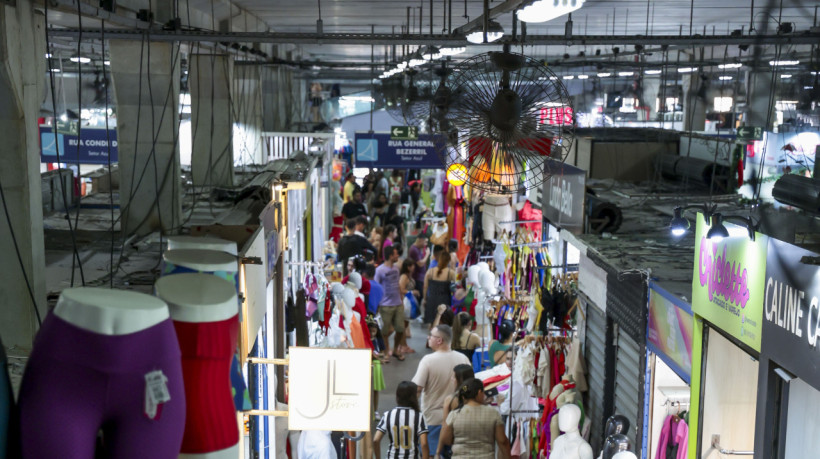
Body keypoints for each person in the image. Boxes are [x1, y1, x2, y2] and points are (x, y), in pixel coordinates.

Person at [411, 325, 470, 457]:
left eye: (431, 335)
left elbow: (417, 388)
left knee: (431, 455)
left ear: (439, 340)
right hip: (457, 420)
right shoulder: (463, 358)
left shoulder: (428, 361)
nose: (428, 337)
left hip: (433, 420)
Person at [440, 378, 511, 459]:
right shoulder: (493, 413)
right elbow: (502, 441)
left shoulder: (454, 414)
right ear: (479, 392)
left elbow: (446, 439)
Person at [374, 381, 430, 459]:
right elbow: (424, 444)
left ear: (397, 396)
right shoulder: (419, 416)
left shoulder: (388, 415)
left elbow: (376, 440)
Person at [435, 364, 476, 459]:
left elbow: (445, 426)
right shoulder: (479, 398)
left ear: (459, 380)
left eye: (453, 377)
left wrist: (438, 451)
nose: (452, 379)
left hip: (456, 446)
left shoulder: (450, 400)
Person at [375, 246, 406, 361]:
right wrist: (377, 305)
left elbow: (397, 284)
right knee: (384, 331)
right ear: (390, 256)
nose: (398, 256)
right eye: (396, 254)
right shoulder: (380, 270)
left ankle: (396, 349)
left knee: (400, 329)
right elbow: (377, 286)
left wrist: (401, 298)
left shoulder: (396, 269)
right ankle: (386, 350)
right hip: (385, 305)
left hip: (397, 303)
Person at [423, 251, 455, 327]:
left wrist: (425, 299)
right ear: (448, 261)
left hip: (431, 300)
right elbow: (455, 287)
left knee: (432, 324)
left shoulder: (430, 271)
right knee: (443, 324)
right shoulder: (450, 273)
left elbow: (425, 287)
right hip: (444, 300)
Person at [399, 259, 420, 354]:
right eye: (412, 265)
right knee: (403, 325)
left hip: (408, 302)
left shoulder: (408, 276)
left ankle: (403, 345)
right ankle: (403, 345)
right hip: (404, 302)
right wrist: (411, 292)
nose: (414, 267)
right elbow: (401, 289)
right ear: (408, 267)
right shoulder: (404, 277)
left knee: (405, 324)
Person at [408, 233, 431, 301]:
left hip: (420, 278)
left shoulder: (418, 249)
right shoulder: (414, 249)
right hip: (417, 278)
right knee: (419, 297)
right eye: (425, 242)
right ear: (421, 240)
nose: (426, 244)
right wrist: (427, 254)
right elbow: (420, 264)